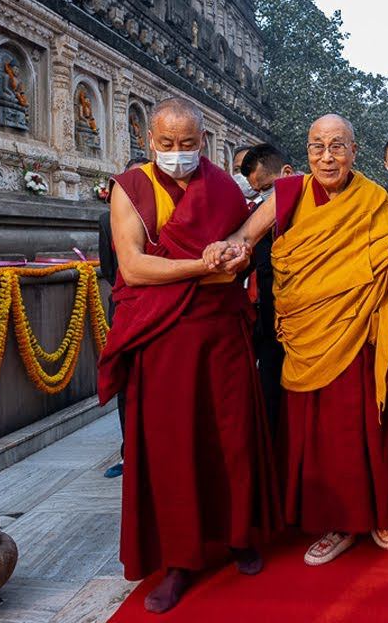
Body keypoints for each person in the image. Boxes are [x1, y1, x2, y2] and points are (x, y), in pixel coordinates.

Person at [207, 114, 388, 566]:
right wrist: (224, 249)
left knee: (368, 425)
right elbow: (244, 237)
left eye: (337, 146)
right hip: (306, 333)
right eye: (316, 147)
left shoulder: (371, 198)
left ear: (354, 150)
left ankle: (378, 512)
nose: (326, 157)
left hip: (358, 328)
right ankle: (335, 521)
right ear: (306, 152)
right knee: (320, 434)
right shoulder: (287, 193)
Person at [96, 97, 280, 614]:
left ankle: (240, 534)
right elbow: (133, 269)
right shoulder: (130, 189)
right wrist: (203, 267)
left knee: (232, 436)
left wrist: (236, 255)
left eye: (188, 144)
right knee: (173, 446)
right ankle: (179, 560)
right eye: (167, 144)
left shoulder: (222, 187)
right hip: (163, 335)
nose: (177, 153)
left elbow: (237, 254)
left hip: (220, 331)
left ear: (204, 142)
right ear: (150, 141)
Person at [97, 155, 147, 479]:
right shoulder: (107, 220)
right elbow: (108, 268)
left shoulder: (163, 216)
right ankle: (130, 453)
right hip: (126, 308)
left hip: (161, 306)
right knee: (126, 384)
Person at [239, 143, 295, 431]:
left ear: (287, 173)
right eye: (258, 192)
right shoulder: (259, 215)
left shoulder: (317, 207)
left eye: (267, 189)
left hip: (313, 315)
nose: (264, 198)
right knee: (271, 387)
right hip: (270, 316)